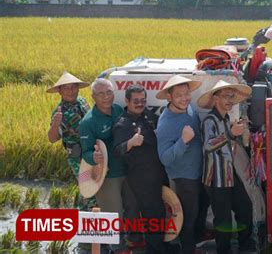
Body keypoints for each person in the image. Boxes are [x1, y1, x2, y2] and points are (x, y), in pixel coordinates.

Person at [197, 80, 255, 254]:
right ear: (215, 99)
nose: (230, 100)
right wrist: (231, 134)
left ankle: (246, 247)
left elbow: (222, 144)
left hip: (228, 173)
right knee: (223, 221)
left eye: (232, 96)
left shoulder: (226, 118)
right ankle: (224, 251)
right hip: (216, 177)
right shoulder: (209, 120)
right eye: (226, 96)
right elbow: (208, 146)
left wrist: (234, 138)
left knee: (245, 208)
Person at [113, 84, 168, 254]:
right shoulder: (122, 124)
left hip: (157, 174)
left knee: (158, 214)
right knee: (152, 216)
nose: (139, 103)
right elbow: (117, 150)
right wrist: (130, 143)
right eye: (135, 101)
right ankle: (154, 250)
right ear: (127, 101)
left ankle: (159, 247)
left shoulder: (148, 115)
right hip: (141, 179)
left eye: (143, 100)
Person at [79, 78, 130, 253]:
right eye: (101, 94)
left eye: (109, 92)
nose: (106, 97)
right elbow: (85, 153)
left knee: (129, 211)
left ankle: (128, 245)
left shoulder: (117, 110)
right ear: (93, 97)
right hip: (107, 176)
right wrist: (94, 156)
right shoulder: (88, 122)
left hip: (127, 170)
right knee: (113, 217)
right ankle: (116, 249)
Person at [155, 75, 203, 254]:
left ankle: (195, 246)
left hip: (198, 172)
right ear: (169, 97)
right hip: (183, 178)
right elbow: (165, 158)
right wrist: (183, 141)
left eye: (186, 94)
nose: (184, 98)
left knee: (197, 213)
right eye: (179, 95)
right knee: (187, 220)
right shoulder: (166, 123)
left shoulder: (189, 109)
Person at [47, 71, 95, 211]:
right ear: (60, 91)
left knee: (90, 185)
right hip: (77, 156)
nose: (71, 91)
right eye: (66, 88)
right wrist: (55, 124)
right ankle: (86, 217)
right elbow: (52, 138)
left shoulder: (82, 101)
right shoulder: (60, 112)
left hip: (91, 151)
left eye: (73, 87)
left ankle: (81, 215)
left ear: (78, 88)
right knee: (88, 187)